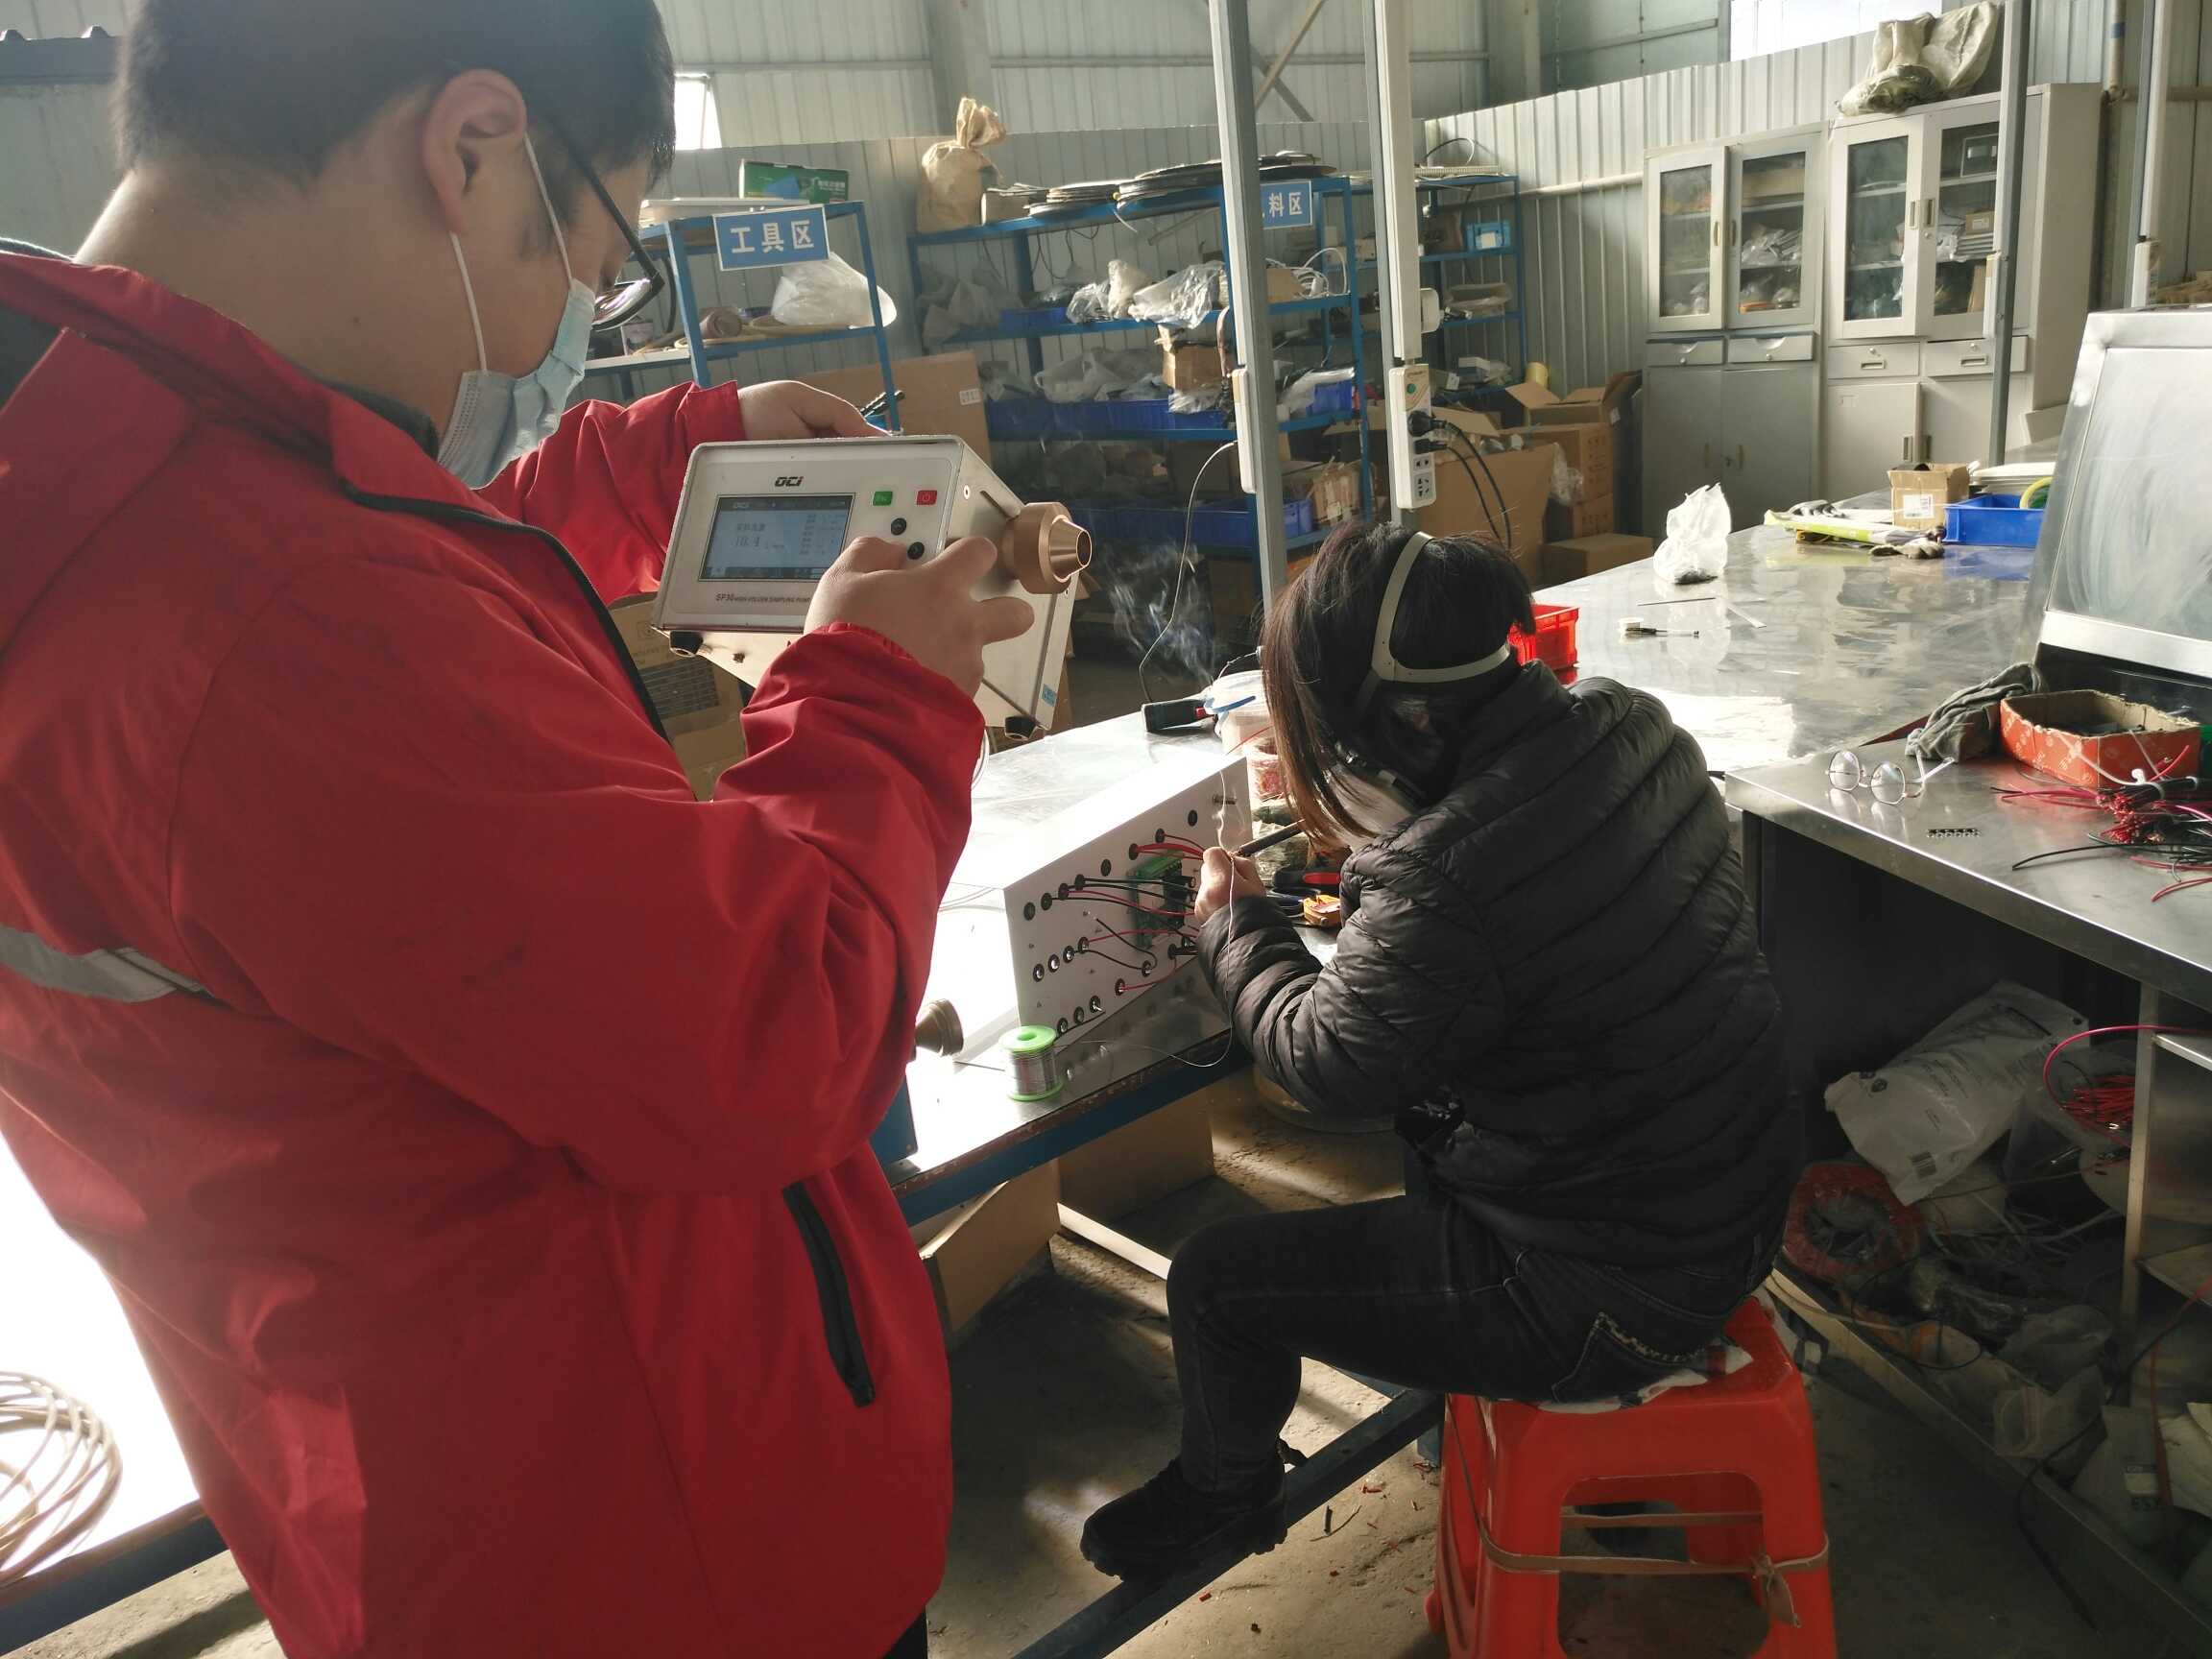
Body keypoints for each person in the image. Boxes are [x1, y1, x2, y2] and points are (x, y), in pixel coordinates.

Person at [0, 4, 1027, 1655]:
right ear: (472, 149)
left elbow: (391, 593)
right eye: (596, 264)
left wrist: (655, 461)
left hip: (432, 1505)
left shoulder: (94, 455)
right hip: (653, 1559)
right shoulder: (270, 622)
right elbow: (776, 1024)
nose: (561, 326)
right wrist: (879, 698)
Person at [1080, 525, 1799, 1580]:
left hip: (1611, 1295)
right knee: (1428, 1151)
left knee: (1216, 1283)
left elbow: (1321, 1064)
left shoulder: (1447, 873)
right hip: (1731, 1217)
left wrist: (1233, 923)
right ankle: (1577, 1457)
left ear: (1404, 723)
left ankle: (1224, 1499)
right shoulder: (1632, 726)